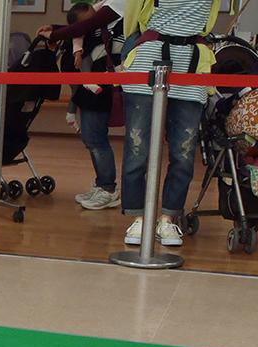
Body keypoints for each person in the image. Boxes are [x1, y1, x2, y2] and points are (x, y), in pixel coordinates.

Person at [119, 0, 218, 247]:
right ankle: (139, 216)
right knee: (137, 145)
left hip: (193, 60)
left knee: (184, 150)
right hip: (150, 52)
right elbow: (131, 20)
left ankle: (168, 216)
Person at [40, 0, 126, 210]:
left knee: (95, 138)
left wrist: (55, 34)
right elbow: (86, 27)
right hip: (92, 86)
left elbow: (86, 26)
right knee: (91, 138)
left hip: (104, 84)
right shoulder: (104, 6)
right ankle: (102, 184)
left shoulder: (120, 5)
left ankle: (108, 188)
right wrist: (57, 29)